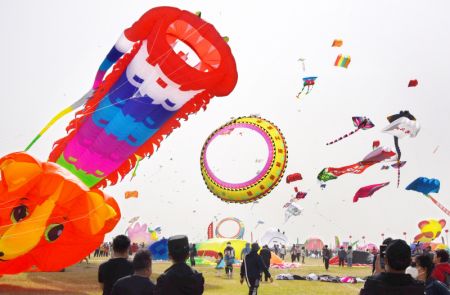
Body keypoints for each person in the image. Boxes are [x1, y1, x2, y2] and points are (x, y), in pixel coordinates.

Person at [360, 239, 425, 295]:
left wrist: (376, 274)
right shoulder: (418, 287)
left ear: (385, 260)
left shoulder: (373, 285)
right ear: (410, 262)